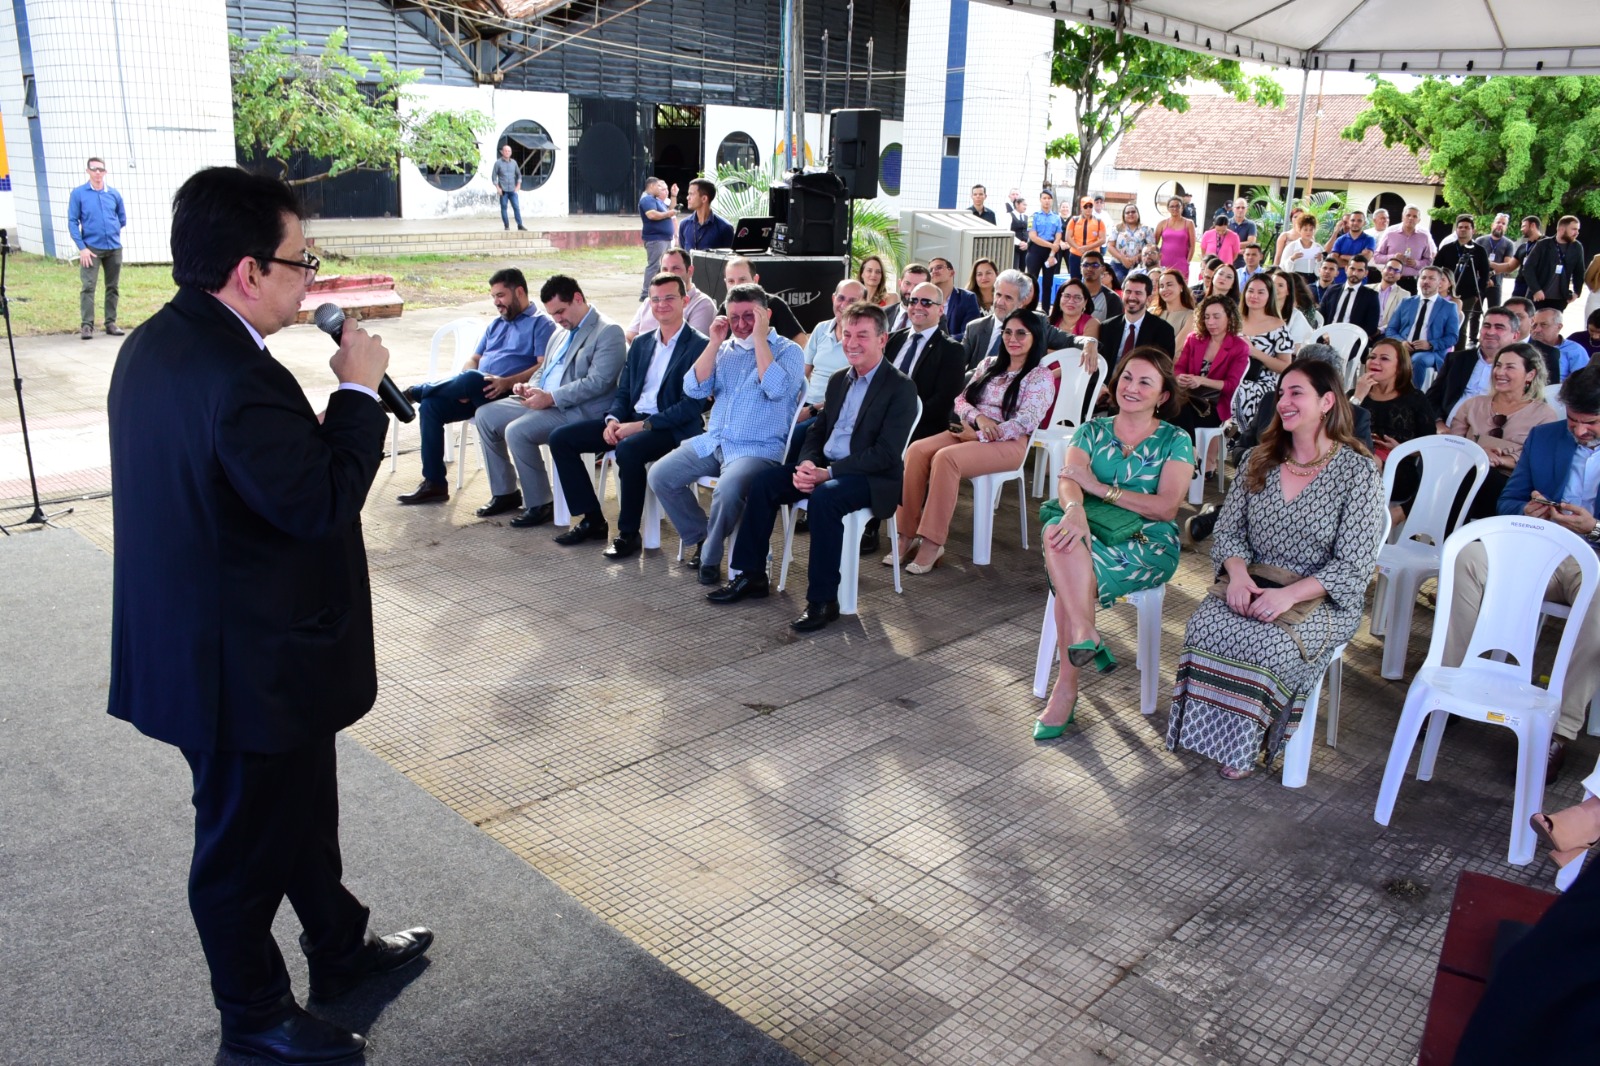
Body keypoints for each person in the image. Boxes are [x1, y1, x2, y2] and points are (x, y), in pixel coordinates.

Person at [106, 166, 430, 1062]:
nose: (309, 281)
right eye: (301, 261)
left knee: (299, 813)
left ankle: (337, 946)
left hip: (219, 645)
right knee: (240, 853)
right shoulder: (239, 377)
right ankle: (253, 1018)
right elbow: (318, 500)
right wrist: (359, 394)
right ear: (249, 271)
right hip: (240, 668)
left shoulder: (161, 343)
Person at [1167, 358, 1386, 779]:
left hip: (1318, 597)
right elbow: (1229, 532)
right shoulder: (1258, 459)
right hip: (1252, 579)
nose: (1283, 401)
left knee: (1270, 644)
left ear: (1327, 402)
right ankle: (1210, 732)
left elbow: (1354, 564)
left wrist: (1287, 595)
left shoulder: (1357, 471)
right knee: (1205, 627)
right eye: (1281, 392)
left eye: (1296, 393)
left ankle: (1246, 744)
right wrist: (1238, 577)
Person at [707, 301, 919, 631]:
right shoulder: (839, 380)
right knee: (764, 483)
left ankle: (823, 600)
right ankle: (751, 575)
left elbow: (886, 454)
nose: (851, 343)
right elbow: (818, 431)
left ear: (882, 339)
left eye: (862, 335)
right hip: (825, 467)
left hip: (870, 477)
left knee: (825, 499)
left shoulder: (900, 387)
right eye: (847, 334)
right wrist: (808, 463)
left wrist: (828, 474)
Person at [1445, 365, 1600, 781]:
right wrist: (1528, 509)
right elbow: (1508, 499)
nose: (1580, 431)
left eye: (1591, 424)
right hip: (1539, 546)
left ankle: (1560, 729)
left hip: (1596, 557)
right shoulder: (1548, 436)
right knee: (1468, 559)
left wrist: (1595, 527)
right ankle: (1452, 682)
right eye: (1574, 422)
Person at [1033, 349, 1195, 738]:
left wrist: (1100, 490)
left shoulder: (1176, 440)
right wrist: (1074, 508)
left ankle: (1067, 686)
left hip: (1148, 541)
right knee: (1061, 536)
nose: (1132, 388)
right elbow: (1070, 479)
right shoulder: (1092, 430)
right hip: (1088, 526)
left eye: (1145, 382)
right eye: (1126, 378)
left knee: (1064, 557)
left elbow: (1166, 508)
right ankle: (1083, 641)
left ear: (1163, 396)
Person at [648, 283, 805, 585]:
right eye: (735, 318)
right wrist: (713, 343)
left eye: (750, 316)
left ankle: (709, 557)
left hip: (758, 450)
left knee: (728, 489)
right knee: (660, 475)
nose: (742, 325)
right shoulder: (724, 349)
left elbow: (776, 390)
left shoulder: (789, 351)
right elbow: (694, 389)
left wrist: (760, 338)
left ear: (766, 314)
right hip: (716, 441)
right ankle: (704, 538)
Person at [547, 272, 709, 558]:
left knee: (630, 449)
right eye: (655, 299)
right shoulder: (642, 343)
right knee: (561, 439)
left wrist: (642, 426)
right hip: (631, 420)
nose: (661, 305)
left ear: (684, 301)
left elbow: (691, 407)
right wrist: (613, 420)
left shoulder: (699, 345)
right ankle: (592, 520)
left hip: (670, 428)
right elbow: (623, 392)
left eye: (669, 298)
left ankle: (628, 534)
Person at [891, 309, 1055, 573]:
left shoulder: (1040, 376)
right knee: (917, 451)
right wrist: (978, 421)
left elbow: (1025, 421)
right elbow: (961, 400)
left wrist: (981, 434)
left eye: (1021, 333)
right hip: (969, 430)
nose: (1013, 338)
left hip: (1008, 443)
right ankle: (905, 534)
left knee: (946, 458)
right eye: (1008, 332)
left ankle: (933, 542)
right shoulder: (990, 364)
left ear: (1035, 337)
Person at [472, 275, 626, 527]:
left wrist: (551, 397)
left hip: (578, 409)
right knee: (486, 416)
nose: (557, 319)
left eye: (561, 311)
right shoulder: (560, 331)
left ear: (578, 298)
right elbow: (544, 369)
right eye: (552, 314)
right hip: (545, 398)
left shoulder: (607, 331)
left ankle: (540, 502)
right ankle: (506, 492)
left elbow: (598, 382)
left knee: (517, 431)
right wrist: (529, 387)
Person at [396, 268, 558, 505]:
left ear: (520, 291)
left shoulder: (540, 324)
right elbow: (473, 359)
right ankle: (435, 484)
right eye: (493, 296)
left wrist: (507, 382)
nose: (496, 302)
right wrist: (461, 387)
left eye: (500, 295)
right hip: (477, 391)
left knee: (472, 379)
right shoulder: (496, 324)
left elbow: (542, 367)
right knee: (431, 406)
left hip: (509, 396)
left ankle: (414, 392)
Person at [1445, 341, 1560, 521]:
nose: (1499, 372)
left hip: (1509, 486)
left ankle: (1446, 538)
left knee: (1480, 478)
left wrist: (1500, 460)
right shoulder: (1473, 404)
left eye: (1510, 367)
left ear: (1530, 374)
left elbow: (1539, 465)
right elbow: (1454, 445)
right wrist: (1478, 454)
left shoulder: (1544, 415)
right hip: (1464, 473)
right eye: (1498, 365)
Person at [794, 279, 871, 464]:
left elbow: (857, 391)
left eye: (852, 301)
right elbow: (801, 375)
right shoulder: (821, 328)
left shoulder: (864, 340)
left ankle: (798, 482)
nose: (844, 305)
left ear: (864, 304)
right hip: (805, 405)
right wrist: (792, 405)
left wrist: (812, 410)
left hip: (834, 411)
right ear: (833, 298)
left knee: (797, 435)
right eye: (841, 298)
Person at [884, 282, 968, 444]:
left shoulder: (951, 350)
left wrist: (903, 416)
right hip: (879, 421)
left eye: (926, 302)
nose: (918, 306)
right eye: (913, 301)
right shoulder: (892, 340)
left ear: (941, 309)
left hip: (919, 430)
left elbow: (943, 401)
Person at [960, 269, 1077, 371]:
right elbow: (956, 362)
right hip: (975, 389)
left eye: (1008, 298)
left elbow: (1071, 341)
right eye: (998, 295)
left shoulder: (1037, 323)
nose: (1000, 302)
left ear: (1022, 302)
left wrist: (1089, 343)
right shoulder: (975, 328)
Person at [1172, 295, 1251, 444]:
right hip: (1186, 397)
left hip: (1214, 405)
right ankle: (1186, 456)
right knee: (1168, 405)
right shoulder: (1194, 339)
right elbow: (1179, 368)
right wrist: (1180, 377)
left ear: (1229, 317)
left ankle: (1188, 456)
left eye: (1216, 317)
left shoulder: (1239, 347)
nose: (1210, 322)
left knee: (1178, 409)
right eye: (1206, 317)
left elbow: (1230, 386)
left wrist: (1202, 380)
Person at [1423, 304, 1515, 426]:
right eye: (1486, 326)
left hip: (1487, 435)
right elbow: (1431, 397)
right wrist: (1438, 423)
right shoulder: (1457, 359)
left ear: (1515, 336)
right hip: (1446, 430)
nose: (1491, 332)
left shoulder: (1518, 368)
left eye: (1499, 327)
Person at [68, 156, 127, 339]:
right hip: (91, 249)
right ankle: (87, 325)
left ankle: (111, 322)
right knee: (88, 286)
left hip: (113, 248)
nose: (98, 173)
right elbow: (72, 221)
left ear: (105, 172)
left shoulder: (114, 194)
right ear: (88, 171)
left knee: (113, 286)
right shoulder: (79, 194)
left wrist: (113, 231)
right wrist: (82, 248)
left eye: (101, 169)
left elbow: (121, 218)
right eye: (94, 169)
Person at [1354, 337, 1435, 468]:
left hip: (1396, 466)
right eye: (1371, 357)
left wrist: (1402, 449)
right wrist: (1358, 396)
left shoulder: (1415, 398)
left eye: (1384, 358)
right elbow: (1335, 430)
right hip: (1355, 462)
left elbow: (1429, 443)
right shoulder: (1355, 394)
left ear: (1399, 367)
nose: (1375, 362)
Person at [1235, 274, 1298, 431]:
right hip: (1232, 374)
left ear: (1269, 296)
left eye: (1261, 292)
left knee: (1239, 390)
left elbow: (1286, 367)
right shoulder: (1234, 321)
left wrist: (1254, 352)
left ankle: (1239, 434)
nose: (1254, 296)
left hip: (1262, 381)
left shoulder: (1278, 326)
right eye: (1250, 291)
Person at [1387, 266, 1462, 389]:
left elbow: (1452, 337)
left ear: (1439, 283)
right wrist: (1401, 342)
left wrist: (1430, 344)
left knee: (1418, 360)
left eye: (1432, 278)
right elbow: (1391, 329)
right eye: (1423, 278)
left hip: (1430, 352)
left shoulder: (1449, 307)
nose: (1426, 281)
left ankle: (1413, 396)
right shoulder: (1406, 302)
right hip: (1403, 347)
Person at [625, 246, 716, 343]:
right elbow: (629, 337)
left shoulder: (702, 304)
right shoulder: (649, 301)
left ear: (690, 271)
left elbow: (693, 346)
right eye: (664, 269)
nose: (669, 274)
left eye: (675, 268)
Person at [721, 256, 808, 346]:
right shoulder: (725, 307)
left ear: (755, 280)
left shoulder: (774, 304)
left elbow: (801, 344)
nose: (736, 285)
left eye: (742, 280)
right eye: (731, 281)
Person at [1434, 214, 1493, 347]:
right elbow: (1435, 269)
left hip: (1467, 295)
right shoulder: (1447, 248)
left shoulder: (1479, 251)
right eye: (1460, 227)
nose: (1463, 230)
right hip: (1445, 293)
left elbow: (1484, 274)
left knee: (1461, 327)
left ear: (1473, 230)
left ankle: (1458, 356)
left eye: (1467, 227)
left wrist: (1479, 293)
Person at [1099, 273, 1176, 361]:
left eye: (1138, 293)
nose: (1132, 297)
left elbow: (1163, 367)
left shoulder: (1163, 330)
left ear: (1148, 298)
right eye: (1128, 292)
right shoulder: (1107, 327)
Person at [1523, 215, 1587, 312]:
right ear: (1561, 229)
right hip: (1538, 297)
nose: (1577, 233)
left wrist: (1577, 292)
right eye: (1574, 229)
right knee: (1533, 325)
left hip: (1560, 299)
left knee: (1553, 325)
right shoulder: (1543, 244)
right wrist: (1536, 290)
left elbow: (1579, 271)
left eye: (1578, 230)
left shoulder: (1577, 247)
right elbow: (1528, 268)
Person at [1373, 205, 1435, 292]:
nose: (1411, 218)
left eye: (1414, 216)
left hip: (1410, 282)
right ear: (1402, 217)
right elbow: (1377, 257)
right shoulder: (1390, 234)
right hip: (1389, 279)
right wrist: (1393, 257)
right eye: (1408, 215)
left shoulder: (1424, 237)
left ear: (1419, 220)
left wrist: (1416, 263)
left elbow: (1428, 261)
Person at [1318, 253, 1380, 338]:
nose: (1355, 273)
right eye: (1352, 269)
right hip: (1326, 336)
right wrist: (1323, 334)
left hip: (1352, 341)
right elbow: (1320, 316)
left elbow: (1371, 327)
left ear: (1366, 273)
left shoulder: (1371, 296)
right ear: (1346, 269)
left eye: (1360, 270)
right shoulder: (1332, 290)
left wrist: (1350, 338)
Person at [637, 176, 677, 299]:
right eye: (659, 186)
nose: (661, 189)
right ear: (652, 186)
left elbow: (670, 209)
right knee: (654, 266)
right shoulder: (647, 199)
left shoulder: (655, 200)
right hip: (656, 239)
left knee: (661, 267)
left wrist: (674, 195)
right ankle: (645, 293)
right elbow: (652, 215)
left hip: (663, 238)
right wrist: (668, 214)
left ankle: (658, 291)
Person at [1026, 191, 1064, 310]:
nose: (1046, 201)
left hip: (1051, 252)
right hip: (1036, 250)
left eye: (1049, 198)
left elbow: (1058, 236)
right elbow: (1033, 236)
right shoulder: (1034, 216)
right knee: (1032, 281)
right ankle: (1030, 308)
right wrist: (1050, 245)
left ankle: (1046, 310)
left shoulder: (1057, 217)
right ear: (1040, 200)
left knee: (1048, 283)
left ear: (1052, 200)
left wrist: (1052, 252)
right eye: (1044, 198)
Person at [928, 255, 981, 339]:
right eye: (931, 270)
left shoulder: (967, 298)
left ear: (951, 273)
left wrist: (943, 342)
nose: (934, 271)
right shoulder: (925, 299)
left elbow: (970, 333)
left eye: (939, 267)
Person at [1530, 306, 1589, 382]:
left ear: (1559, 327)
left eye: (1544, 325)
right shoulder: (1524, 347)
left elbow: (1582, 381)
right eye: (1534, 325)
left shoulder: (1574, 350)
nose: (1537, 330)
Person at [677, 177, 734, 251]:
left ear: (704, 198)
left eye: (691, 194)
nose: (687, 197)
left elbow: (728, 259)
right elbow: (683, 256)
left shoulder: (724, 227)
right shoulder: (684, 224)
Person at [1324, 210, 1376, 285]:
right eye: (1352, 220)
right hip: (1338, 281)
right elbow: (1334, 259)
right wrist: (1359, 258)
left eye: (1359, 221)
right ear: (1349, 222)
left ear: (1364, 223)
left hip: (1359, 282)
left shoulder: (1369, 239)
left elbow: (1366, 258)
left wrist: (1343, 256)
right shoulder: (1340, 240)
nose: (1355, 223)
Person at [1107, 203, 1155, 286]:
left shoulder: (1146, 229)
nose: (1130, 214)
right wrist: (1122, 259)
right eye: (1127, 212)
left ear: (1138, 214)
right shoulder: (1117, 228)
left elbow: (1151, 248)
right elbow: (1110, 246)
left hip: (1139, 265)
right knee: (1117, 282)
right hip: (1118, 264)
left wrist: (1137, 257)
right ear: (1123, 215)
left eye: (1133, 212)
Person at [1063, 196, 1107, 280]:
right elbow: (1068, 237)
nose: (1088, 209)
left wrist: (1087, 248)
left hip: (1093, 255)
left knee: (1092, 279)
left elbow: (1103, 239)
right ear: (1081, 208)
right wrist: (1078, 248)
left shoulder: (1099, 221)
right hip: (1076, 254)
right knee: (1075, 280)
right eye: (1086, 206)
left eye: (1090, 206)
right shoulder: (1074, 220)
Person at [1479, 212, 1517, 307]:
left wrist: (1490, 276)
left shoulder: (1509, 244)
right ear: (1492, 224)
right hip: (1478, 283)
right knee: (1474, 314)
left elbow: (1506, 266)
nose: (1500, 225)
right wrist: (1485, 278)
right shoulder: (1480, 240)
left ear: (1506, 228)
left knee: (1495, 312)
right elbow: (1475, 263)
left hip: (1496, 284)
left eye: (1503, 224)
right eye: (1498, 222)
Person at [1049, 279, 1100, 347]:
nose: (1071, 301)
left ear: (1085, 302)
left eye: (1077, 297)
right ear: (1059, 299)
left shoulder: (1092, 323)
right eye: (1067, 296)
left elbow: (1083, 352)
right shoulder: (1048, 322)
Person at [1154, 268, 1197, 347]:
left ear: (1181, 287)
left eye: (1169, 284)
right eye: (1161, 286)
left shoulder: (1191, 316)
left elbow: (1176, 348)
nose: (1165, 289)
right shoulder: (1151, 312)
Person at [1155, 196, 1196, 277]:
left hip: (1181, 263)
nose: (1175, 208)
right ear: (1168, 208)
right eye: (1172, 206)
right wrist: (1157, 260)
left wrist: (1187, 262)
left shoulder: (1189, 223)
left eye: (1178, 206)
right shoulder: (1162, 223)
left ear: (1182, 207)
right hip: (1164, 262)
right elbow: (1154, 244)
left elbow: (1192, 246)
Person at [1079, 252, 1123, 322]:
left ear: (1103, 269)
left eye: (1095, 265)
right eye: (1085, 265)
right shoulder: (1070, 293)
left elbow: (1114, 328)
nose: (1089, 268)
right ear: (1080, 268)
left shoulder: (1112, 299)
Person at [491, 143, 526, 231]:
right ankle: (506, 226)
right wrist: (498, 188)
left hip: (513, 190)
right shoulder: (498, 163)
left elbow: (519, 175)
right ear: (502, 152)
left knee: (516, 207)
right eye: (505, 151)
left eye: (509, 151)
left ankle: (520, 225)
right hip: (503, 191)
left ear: (511, 153)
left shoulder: (514, 163)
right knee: (504, 208)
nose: (507, 152)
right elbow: (494, 177)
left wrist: (518, 185)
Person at [1370, 259, 1408, 334]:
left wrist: (1380, 330)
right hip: (1364, 331)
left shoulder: (1405, 295)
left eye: (1396, 270)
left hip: (1387, 334)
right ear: (1382, 270)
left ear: (1400, 276)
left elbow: (1400, 320)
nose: (1391, 272)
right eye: (1389, 268)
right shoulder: (1368, 289)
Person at [1227, 198, 1257, 268]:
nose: (1240, 210)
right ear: (1233, 209)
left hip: (1243, 260)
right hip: (1227, 258)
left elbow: (1251, 243)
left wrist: (1231, 246)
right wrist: (1238, 249)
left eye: (1243, 208)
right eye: (1238, 207)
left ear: (1246, 209)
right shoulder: (1227, 223)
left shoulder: (1251, 224)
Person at [1006, 192, 1030, 272]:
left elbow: (1030, 232)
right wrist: (1019, 242)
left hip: (1025, 247)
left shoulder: (1027, 217)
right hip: (1014, 247)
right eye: (1024, 204)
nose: (1025, 207)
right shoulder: (1009, 216)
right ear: (1017, 204)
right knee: (1014, 269)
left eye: (1026, 205)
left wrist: (1027, 244)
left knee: (1023, 270)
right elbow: (1007, 232)